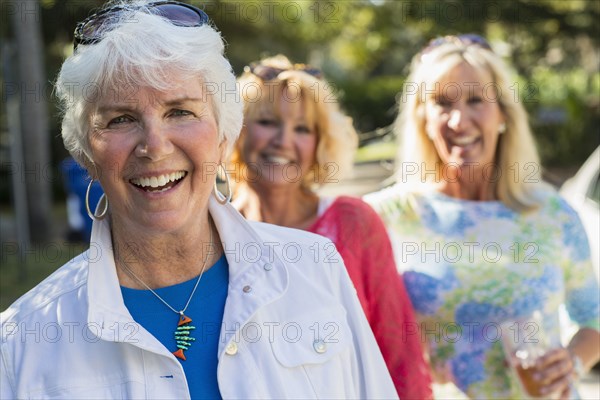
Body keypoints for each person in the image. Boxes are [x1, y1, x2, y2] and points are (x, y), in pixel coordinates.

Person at [0, 2, 398, 398]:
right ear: (86, 153)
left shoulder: (316, 268)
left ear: (225, 136)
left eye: (180, 112)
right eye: (120, 119)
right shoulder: (21, 343)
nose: (154, 148)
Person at [365, 34, 600, 398]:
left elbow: (593, 318)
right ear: (422, 118)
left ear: (503, 113)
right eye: (442, 103)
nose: (460, 120)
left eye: (476, 100)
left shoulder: (552, 214)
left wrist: (573, 361)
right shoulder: (384, 216)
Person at [231, 54, 432, 398]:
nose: (283, 140)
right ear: (236, 130)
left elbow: (399, 356)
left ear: (320, 143)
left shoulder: (353, 223)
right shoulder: (212, 233)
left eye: (302, 129)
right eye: (267, 122)